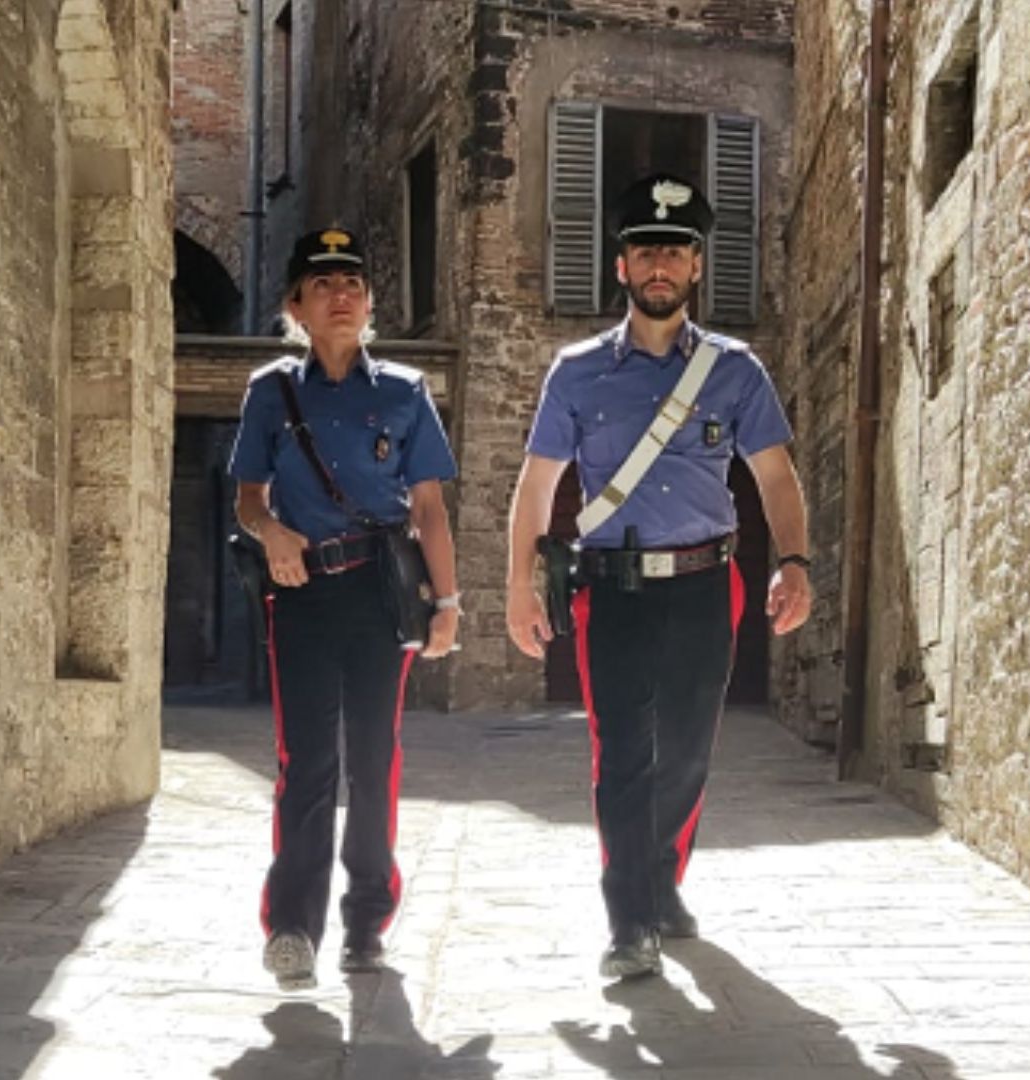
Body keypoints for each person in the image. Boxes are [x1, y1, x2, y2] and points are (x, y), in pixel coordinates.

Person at [504, 174, 813, 980]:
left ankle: (661, 881)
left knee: (686, 752)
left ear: (696, 266)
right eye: (645, 251)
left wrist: (794, 562)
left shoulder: (735, 370)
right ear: (622, 266)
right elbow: (536, 488)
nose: (660, 265)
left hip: (705, 584)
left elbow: (776, 477)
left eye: (674, 251)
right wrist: (518, 587)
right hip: (614, 589)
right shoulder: (576, 373)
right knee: (621, 755)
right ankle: (630, 919)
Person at [230, 227, 462, 990]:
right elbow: (248, 499)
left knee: (372, 757)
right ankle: (292, 927)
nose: (341, 296)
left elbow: (428, 507)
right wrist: (271, 533)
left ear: (368, 305)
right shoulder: (271, 391)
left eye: (353, 285)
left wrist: (447, 603)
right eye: (323, 284)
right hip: (300, 594)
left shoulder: (404, 391)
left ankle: (366, 924)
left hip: (377, 592)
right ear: (295, 306)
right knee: (305, 762)